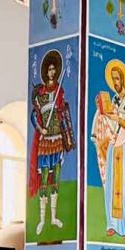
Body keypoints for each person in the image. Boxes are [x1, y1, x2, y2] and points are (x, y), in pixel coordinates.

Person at [91, 60, 125, 240]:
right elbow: (110, 122)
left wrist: (120, 120)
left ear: (123, 79)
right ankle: (113, 224)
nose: (115, 82)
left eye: (117, 79)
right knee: (113, 185)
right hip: (114, 144)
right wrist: (103, 116)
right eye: (113, 79)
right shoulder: (113, 100)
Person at [29, 49, 74, 234]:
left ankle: (54, 218)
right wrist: (41, 129)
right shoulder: (39, 93)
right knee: (44, 181)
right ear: (45, 72)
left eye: (55, 70)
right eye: (50, 70)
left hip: (57, 141)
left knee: (55, 180)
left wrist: (66, 134)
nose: (52, 73)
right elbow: (34, 116)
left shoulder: (59, 91)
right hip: (45, 142)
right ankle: (41, 220)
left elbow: (63, 113)